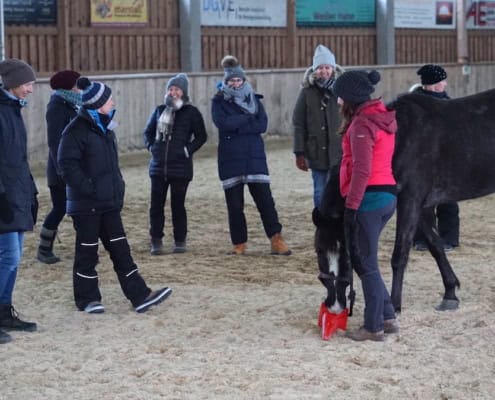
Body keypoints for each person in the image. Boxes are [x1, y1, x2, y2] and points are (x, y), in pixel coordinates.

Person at [58, 76, 172, 314]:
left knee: (121, 250)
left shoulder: (106, 128)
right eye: (109, 99)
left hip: (108, 202)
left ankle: (140, 295)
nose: (112, 102)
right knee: (87, 252)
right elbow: (66, 165)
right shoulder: (75, 130)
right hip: (86, 205)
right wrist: (90, 189)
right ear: (98, 104)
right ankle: (87, 300)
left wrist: (117, 188)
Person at [332, 69, 399, 341]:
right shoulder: (378, 117)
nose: (337, 101)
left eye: (339, 97)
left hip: (369, 198)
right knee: (368, 260)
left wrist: (351, 206)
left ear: (350, 97)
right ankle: (387, 315)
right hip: (386, 195)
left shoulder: (362, 125)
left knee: (365, 263)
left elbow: (361, 169)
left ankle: (373, 326)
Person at [211, 55, 291, 256]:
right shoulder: (218, 101)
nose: (236, 83)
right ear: (226, 81)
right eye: (232, 80)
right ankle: (239, 243)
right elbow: (223, 123)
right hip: (230, 158)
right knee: (235, 205)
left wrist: (238, 124)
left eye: (239, 80)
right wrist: (246, 119)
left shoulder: (255, 100)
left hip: (254, 156)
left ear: (244, 81)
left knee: (265, 200)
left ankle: (276, 239)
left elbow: (262, 125)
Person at [143, 73, 207, 255]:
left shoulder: (191, 112)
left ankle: (180, 240)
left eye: (177, 89)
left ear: (183, 92)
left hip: (180, 168)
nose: (173, 92)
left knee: (177, 206)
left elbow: (201, 136)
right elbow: (147, 132)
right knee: (156, 205)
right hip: (158, 166)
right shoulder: (159, 110)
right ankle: (156, 240)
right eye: (171, 89)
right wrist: (152, 147)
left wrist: (187, 150)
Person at [0, 58, 38, 344]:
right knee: (8, 257)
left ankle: (4, 311)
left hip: (16, 195)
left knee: (15, 258)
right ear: (12, 83)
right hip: (4, 198)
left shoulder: (13, 111)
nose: (31, 90)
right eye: (27, 84)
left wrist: (30, 191)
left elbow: (18, 160)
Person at [412, 64, 460, 252]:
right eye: (442, 81)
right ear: (432, 85)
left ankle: (449, 238)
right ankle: (421, 238)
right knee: (422, 203)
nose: (445, 84)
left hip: (446, 160)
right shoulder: (417, 106)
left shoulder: (450, 104)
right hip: (422, 161)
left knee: (448, 201)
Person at [37, 70, 82, 264]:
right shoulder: (57, 106)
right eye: (77, 85)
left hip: (72, 166)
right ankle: (44, 248)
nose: (80, 89)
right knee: (60, 208)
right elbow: (55, 142)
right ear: (69, 87)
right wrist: (62, 170)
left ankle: (84, 247)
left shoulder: (72, 104)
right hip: (60, 169)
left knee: (75, 209)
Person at [292, 44, 342, 207]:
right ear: (315, 70)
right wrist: (299, 152)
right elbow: (298, 123)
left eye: (327, 67)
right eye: (320, 68)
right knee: (320, 190)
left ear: (333, 68)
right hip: (316, 151)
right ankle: (322, 223)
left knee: (340, 190)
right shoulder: (307, 92)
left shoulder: (343, 91)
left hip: (340, 150)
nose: (324, 71)